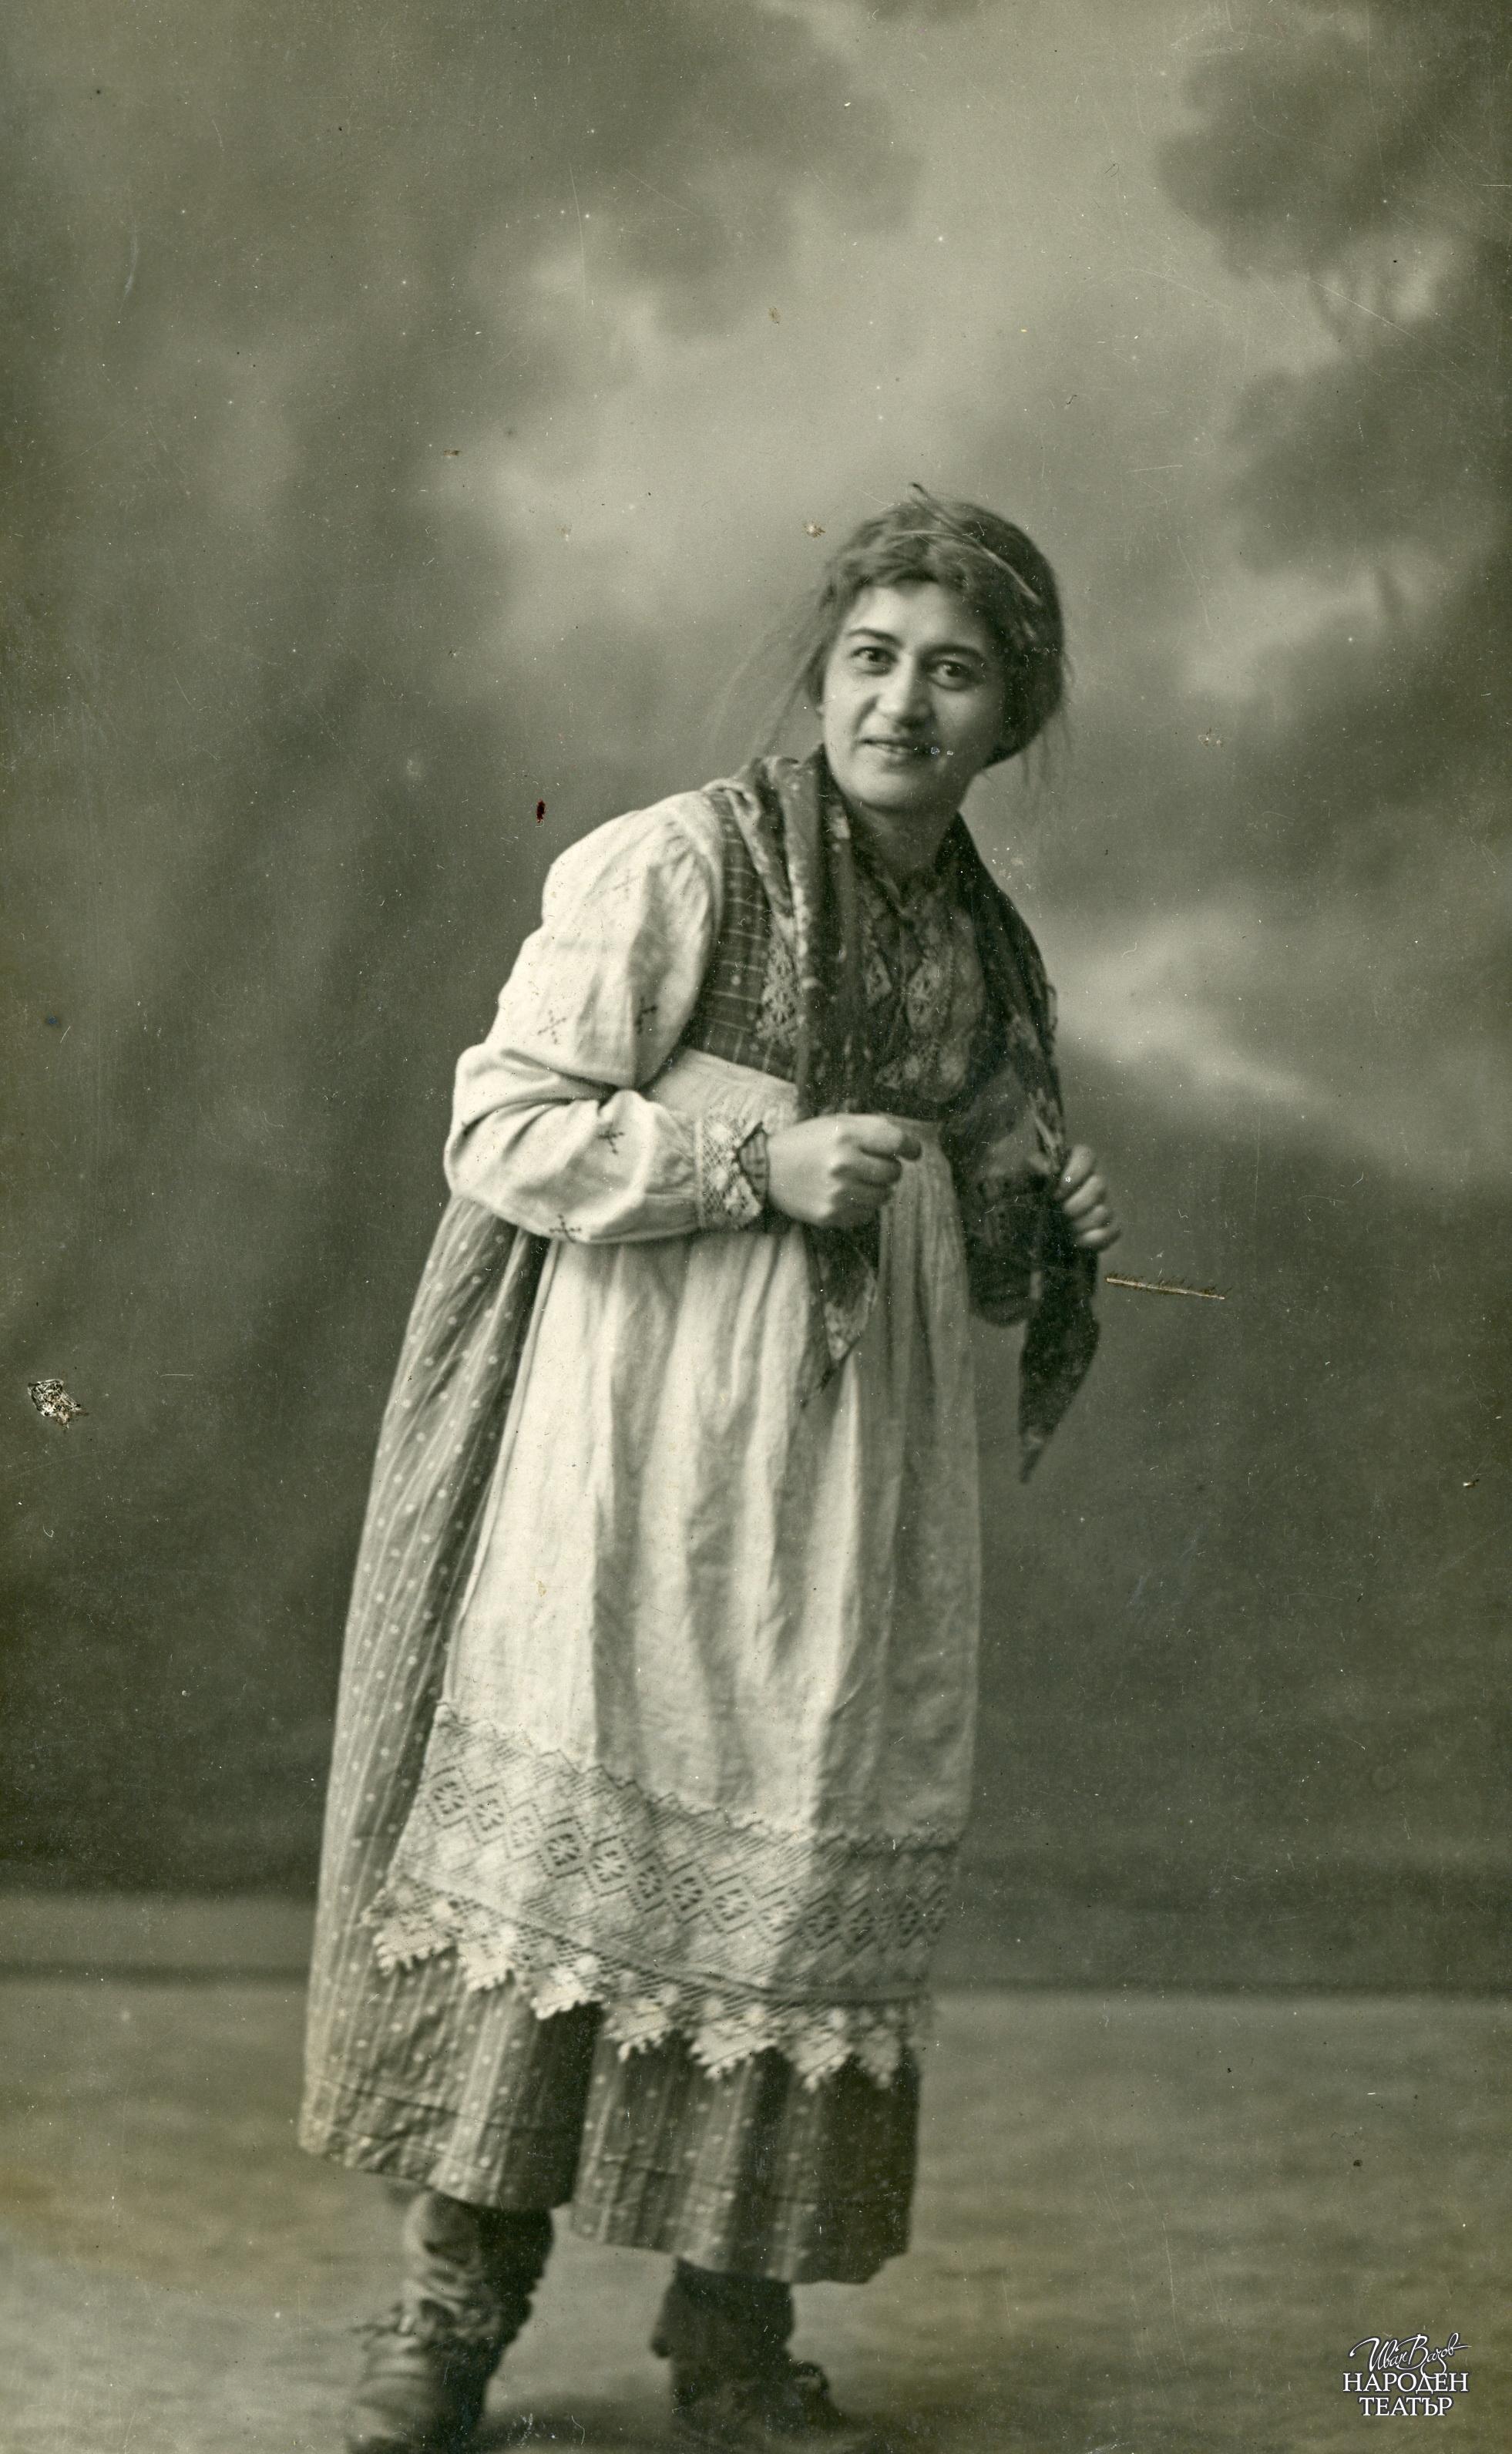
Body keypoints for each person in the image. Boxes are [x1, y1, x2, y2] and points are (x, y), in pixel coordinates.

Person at [299, 489, 1120, 2454]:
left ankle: (732, 2336)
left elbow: (978, 1252)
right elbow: (500, 1127)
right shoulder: (681, 865)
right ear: (824, 671)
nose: (902, 704)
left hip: (850, 1490)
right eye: (872, 657)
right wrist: (755, 1160)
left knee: (786, 1866)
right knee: (560, 1850)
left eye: (954, 672)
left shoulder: (986, 955)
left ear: (1010, 714)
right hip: (635, 1453)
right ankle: (450, 2313)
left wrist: (1042, 1212)